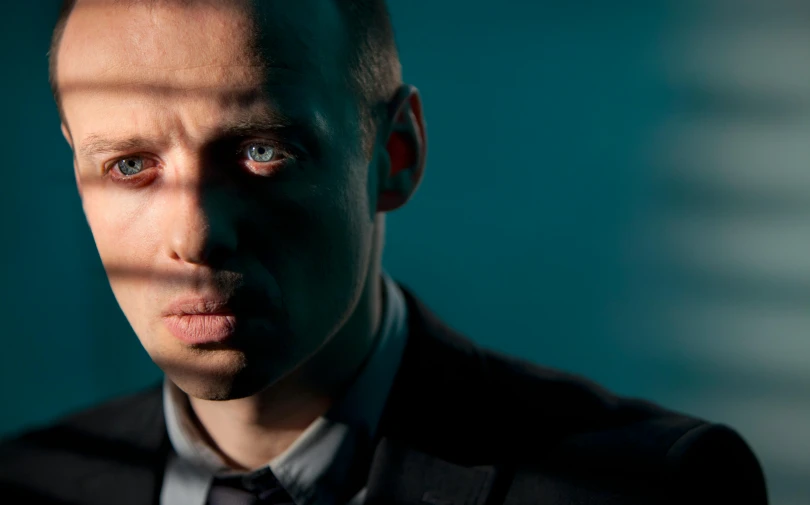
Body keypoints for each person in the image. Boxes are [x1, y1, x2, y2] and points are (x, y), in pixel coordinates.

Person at [0, 1, 768, 504]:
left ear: (394, 153)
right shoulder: (29, 481)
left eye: (262, 150)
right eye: (129, 165)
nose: (196, 237)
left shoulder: (650, 489)